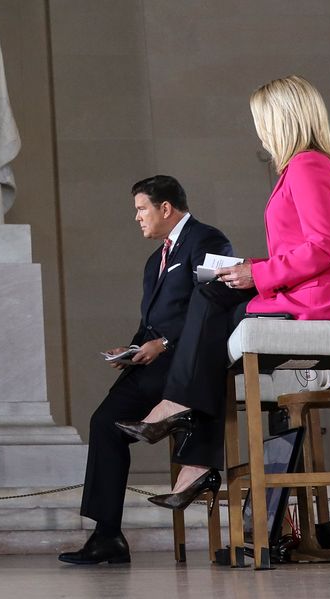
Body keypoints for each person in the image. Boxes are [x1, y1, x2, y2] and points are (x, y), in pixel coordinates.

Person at [115, 75, 330, 513]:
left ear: (282, 121)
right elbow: (303, 247)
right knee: (210, 310)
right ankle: (193, 456)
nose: (260, 132)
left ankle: (180, 420)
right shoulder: (307, 168)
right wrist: (252, 270)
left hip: (312, 298)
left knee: (207, 301)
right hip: (297, 288)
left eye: (262, 121)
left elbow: (323, 248)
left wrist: (257, 275)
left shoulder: (306, 167)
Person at [59, 176, 233, 565]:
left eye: (141, 209)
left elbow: (214, 303)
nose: (137, 218)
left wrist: (165, 343)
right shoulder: (155, 260)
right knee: (104, 423)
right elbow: (152, 321)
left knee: (112, 420)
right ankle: (107, 536)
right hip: (152, 363)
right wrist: (133, 346)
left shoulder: (207, 240)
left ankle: (188, 441)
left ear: (165, 208)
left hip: (187, 363)